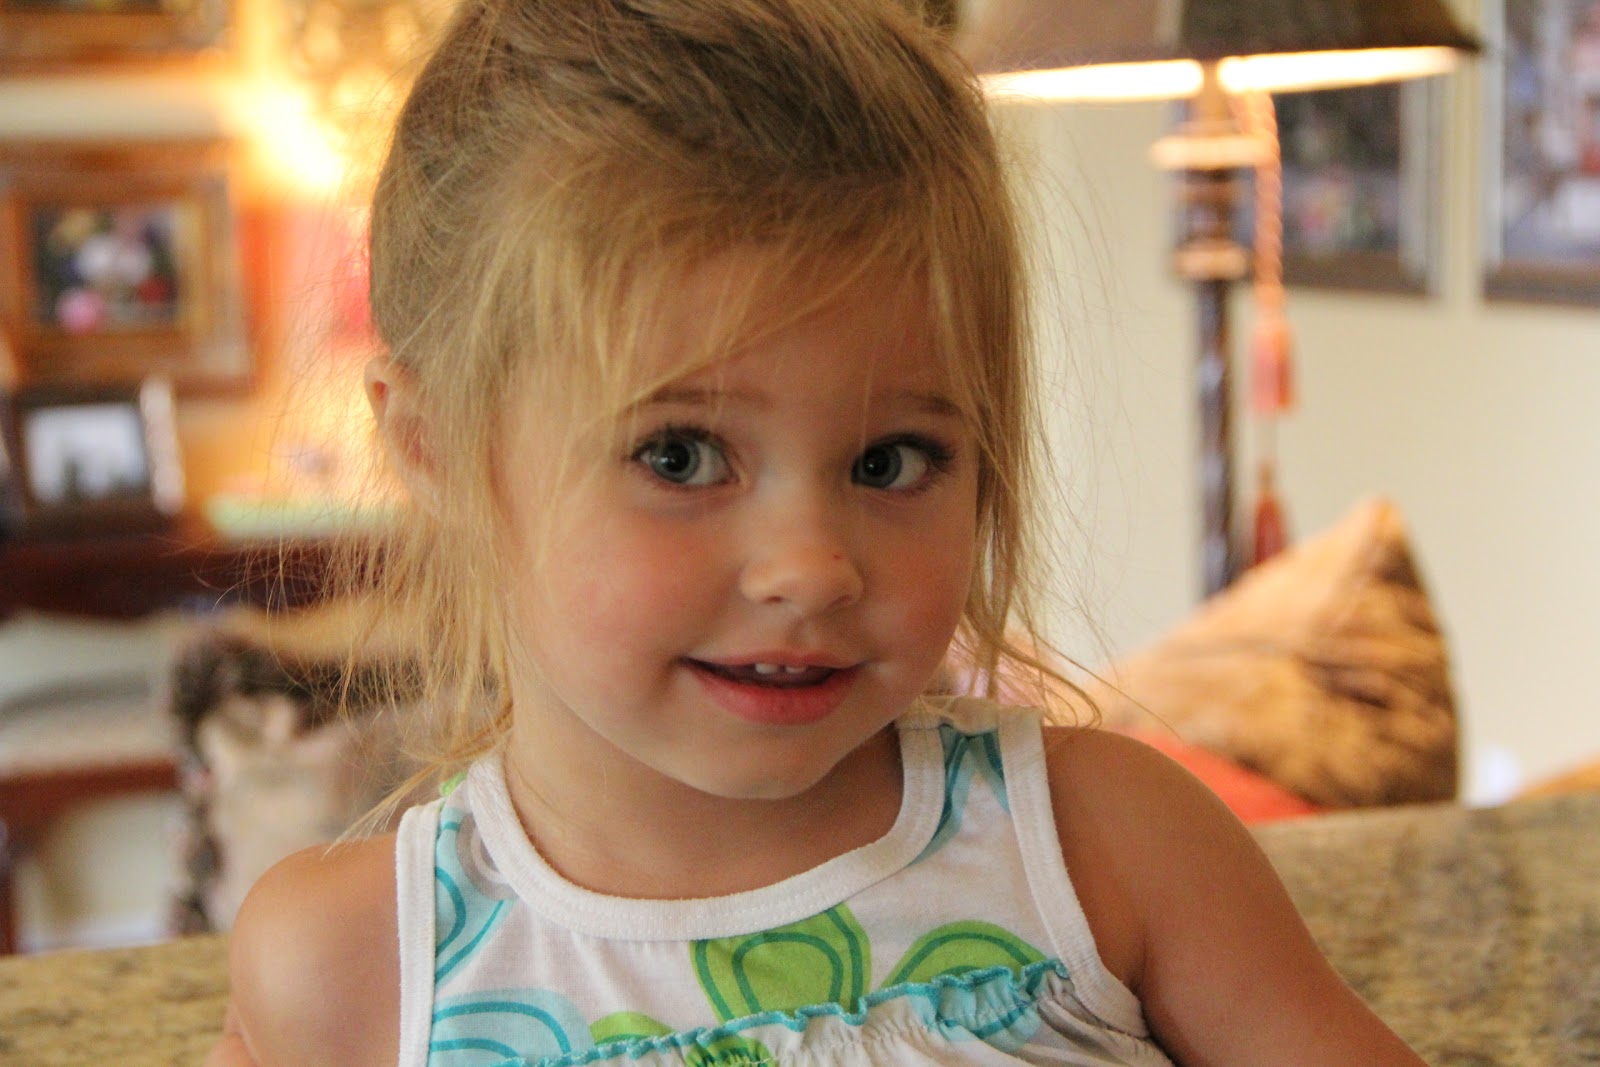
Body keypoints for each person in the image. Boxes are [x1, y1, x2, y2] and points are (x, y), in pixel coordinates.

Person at [209, 1, 1429, 1064]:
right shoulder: (354, 966)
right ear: (434, 446)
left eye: (890, 460)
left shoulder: (1106, 847)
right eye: (679, 455)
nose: (811, 566)